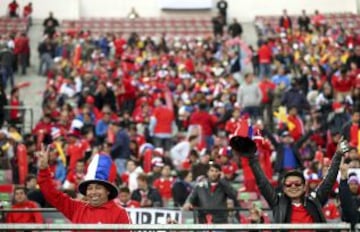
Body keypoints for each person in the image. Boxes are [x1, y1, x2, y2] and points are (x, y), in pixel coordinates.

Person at [229, 135, 349, 224]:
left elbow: (328, 181)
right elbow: (263, 183)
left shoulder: (315, 201)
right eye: (289, 184)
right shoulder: (277, 202)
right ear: (284, 188)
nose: (293, 187)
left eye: (297, 184)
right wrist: (252, 159)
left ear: (304, 186)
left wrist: (337, 155)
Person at [37, 147, 131, 224]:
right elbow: (52, 195)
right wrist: (43, 169)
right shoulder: (76, 208)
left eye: (98, 188)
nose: (93, 192)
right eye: (90, 188)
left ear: (108, 191)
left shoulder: (120, 213)